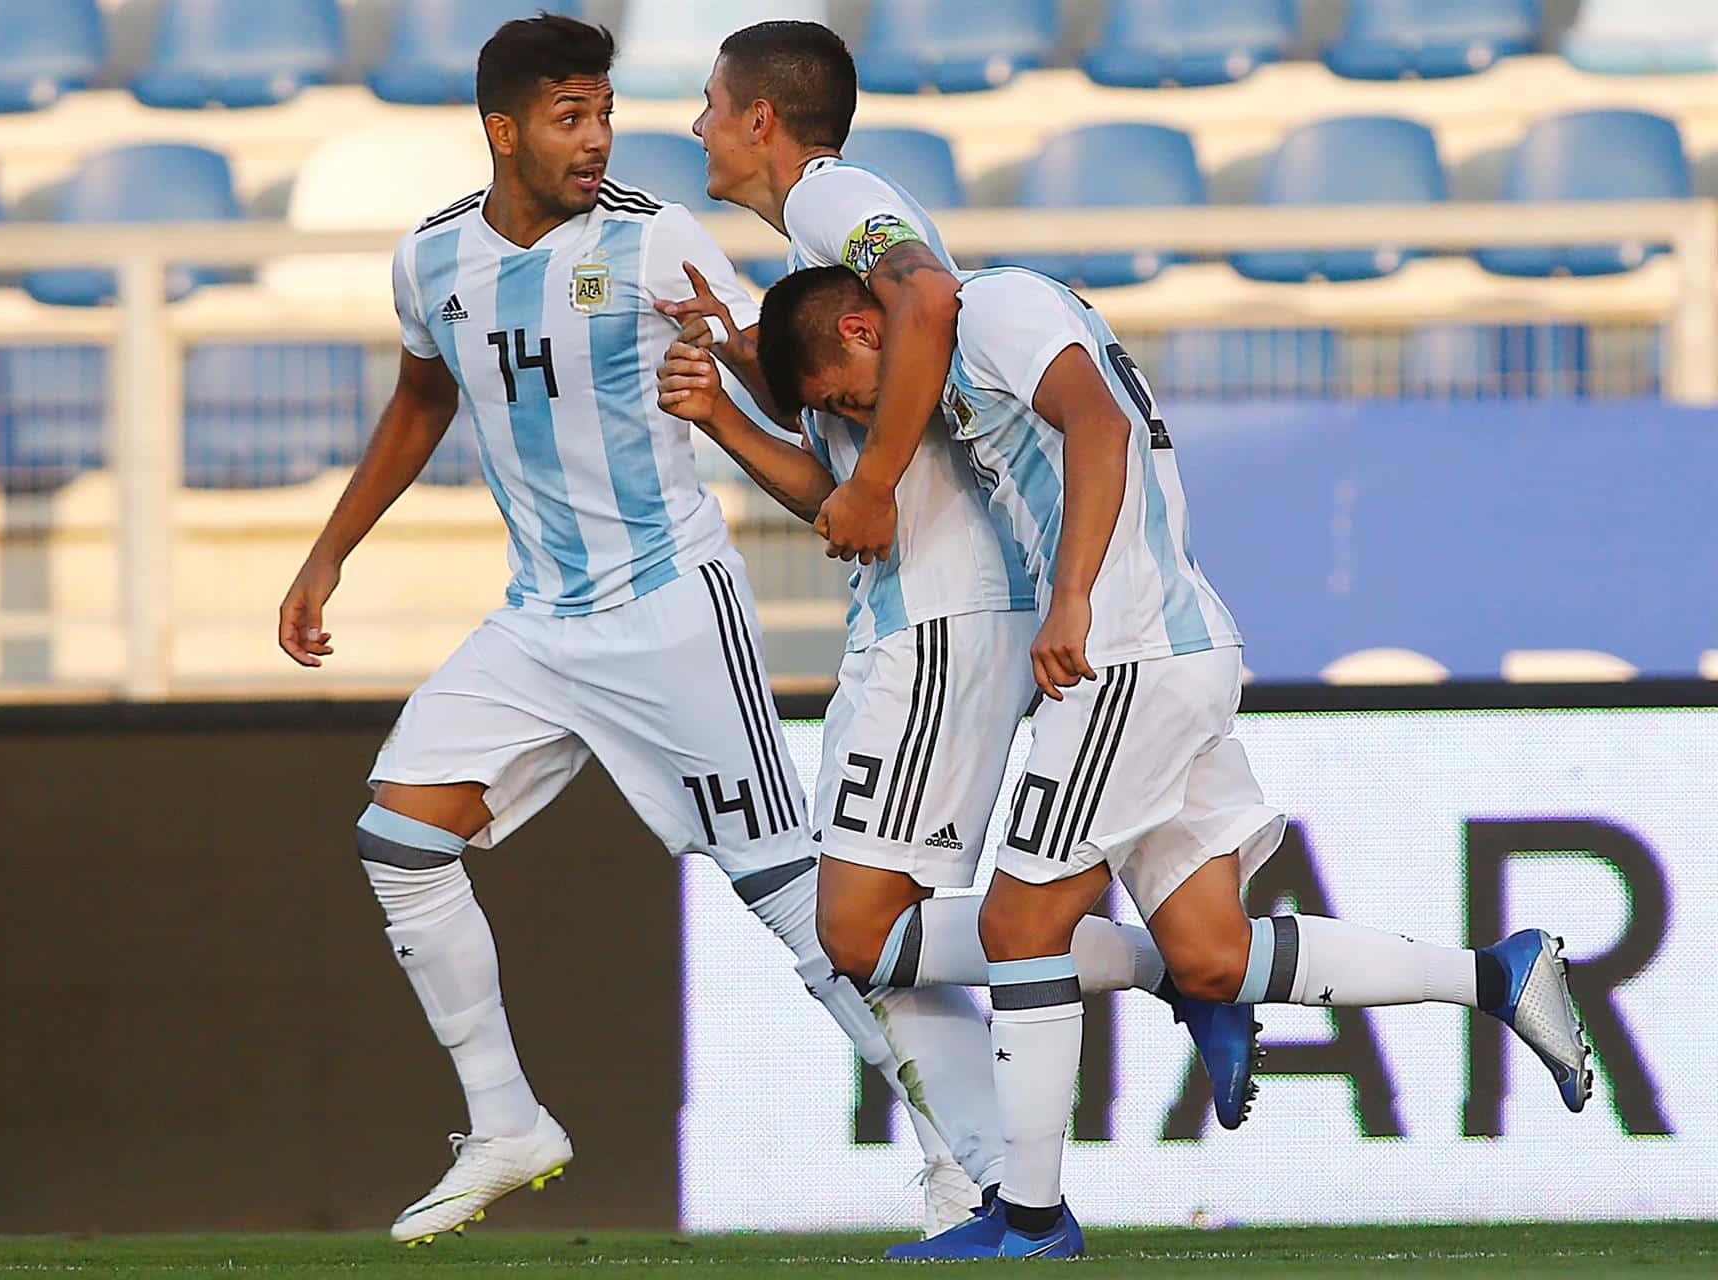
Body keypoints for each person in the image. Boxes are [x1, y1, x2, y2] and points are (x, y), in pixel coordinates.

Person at [276, 14, 990, 1245]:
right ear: (503, 129)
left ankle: (970, 1160)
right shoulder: (433, 260)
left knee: (799, 901)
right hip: (538, 621)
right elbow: (421, 399)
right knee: (398, 837)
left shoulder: (656, 236)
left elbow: (773, 365)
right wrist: (329, 552)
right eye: (570, 116)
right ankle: (507, 1120)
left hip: (669, 606)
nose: (597, 136)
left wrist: (767, 402)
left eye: (605, 111)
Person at [741, 261, 1596, 1259]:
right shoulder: (999, 322)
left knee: (1019, 923)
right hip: (1171, 649)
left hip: (1125, 657)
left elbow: (1100, 427)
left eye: (846, 392)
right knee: (1214, 955)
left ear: (863, 324)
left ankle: (1029, 1217)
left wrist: (1070, 602)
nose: (856, 413)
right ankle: (1497, 975)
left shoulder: (996, 311)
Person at [658, 22, 1263, 1251]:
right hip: (925, 605)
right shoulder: (823, 258)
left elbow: (922, 317)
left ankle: (1046, 1132)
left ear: (764, 119)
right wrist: (736, 393)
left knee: (864, 931)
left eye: (712, 104)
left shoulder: (836, 197)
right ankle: (1028, 1148)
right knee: (874, 935)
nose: (698, 125)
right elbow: (849, 470)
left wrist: (875, 480)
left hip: (939, 612)